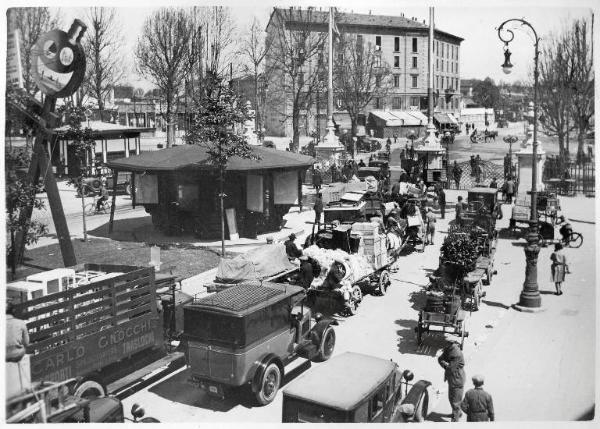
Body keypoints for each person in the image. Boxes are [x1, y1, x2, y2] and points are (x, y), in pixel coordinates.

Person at [438, 341, 466, 422]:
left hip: (457, 379)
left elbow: (451, 368)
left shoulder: (456, 353)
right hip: (452, 378)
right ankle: (457, 413)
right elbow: (440, 359)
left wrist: (445, 364)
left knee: (456, 401)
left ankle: (455, 420)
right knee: (451, 398)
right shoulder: (449, 349)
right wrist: (445, 364)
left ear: (450, 343)